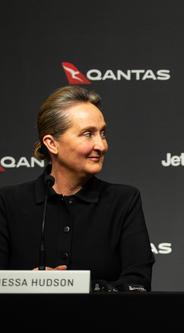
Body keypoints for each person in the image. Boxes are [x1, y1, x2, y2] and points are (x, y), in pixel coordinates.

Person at [0, 86, 154, 291]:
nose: (101, 145)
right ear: (52, 144)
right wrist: (29, 284)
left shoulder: (124, 200)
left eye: (103, 133)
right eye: (88, 134)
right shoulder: (8, 202)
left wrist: (73, 286)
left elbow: (138, 284)